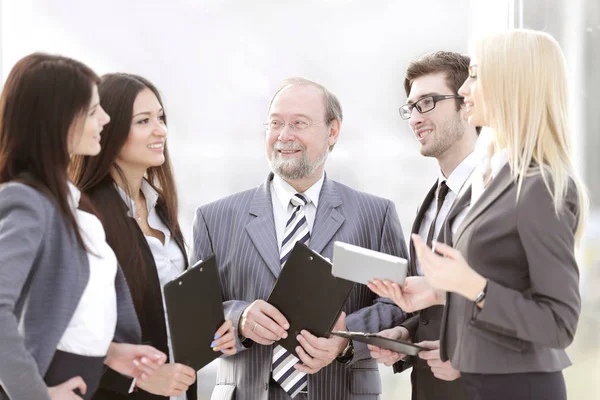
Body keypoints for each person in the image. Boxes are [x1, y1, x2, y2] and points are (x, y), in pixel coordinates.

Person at [369, 29, 589, 400]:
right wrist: (440, 292)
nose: (467, 89)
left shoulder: (539, 185)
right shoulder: (497, 177)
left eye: (476, 75)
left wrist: (469, 286)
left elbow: (558, 324)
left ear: (510, 83)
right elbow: (504, 285)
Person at [190, 77, 408, 400]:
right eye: (275, 123)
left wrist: (347, 340)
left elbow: (399, 305)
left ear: (332, 131)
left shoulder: (375, 216)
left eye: (299, 123)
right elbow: (193, 321)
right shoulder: (215, 218)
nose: (284, 135)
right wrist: (239, 320)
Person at [0, 53, 167, 400]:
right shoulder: (26, 200)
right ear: (59, 120)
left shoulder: (72, 208)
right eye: (93, 111)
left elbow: (67, 312)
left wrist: (110, 352)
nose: (105, 119)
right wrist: (35, 396)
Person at [70, 73, 237, 400]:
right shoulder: (86, 214)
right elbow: (68, 328)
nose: (160, 129)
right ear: (109, 128)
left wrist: (214, 329)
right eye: (144, 121)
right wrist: (137, 379)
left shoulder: (161, 207)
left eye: (161, 117)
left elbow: (164, 303)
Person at [368, 51, 479, 400]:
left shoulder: (503, 193)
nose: (415, 118)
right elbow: (438, 307)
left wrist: (473, 357)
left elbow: (524, 302)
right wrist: (406, 336)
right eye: (411, 107)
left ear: (467, 104)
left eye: (428, 102)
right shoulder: (430, 202)